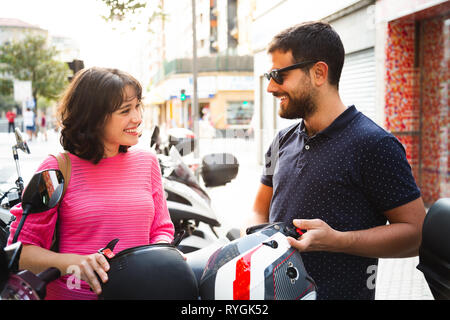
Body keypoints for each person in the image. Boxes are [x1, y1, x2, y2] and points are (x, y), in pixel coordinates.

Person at [245, 22, 426, 300]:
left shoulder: (375, 145)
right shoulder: (280, 141)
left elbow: (416, 234)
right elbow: (259, 209)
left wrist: (339, 241)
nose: (270, 87)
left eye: (279, 75)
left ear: (318, 73)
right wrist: (261, 245)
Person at [7, 67, 175, 300]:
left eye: (138, 106)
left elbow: (161, 229)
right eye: (125, 110)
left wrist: (163, 254)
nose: (137, 118)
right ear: (94, 117)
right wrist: (74, 263)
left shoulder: (147, 162)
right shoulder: (57, 167)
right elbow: (21, 252)